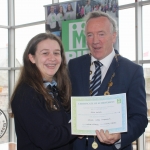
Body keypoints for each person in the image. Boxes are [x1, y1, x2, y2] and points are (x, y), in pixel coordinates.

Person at [68, 11, 148, 150]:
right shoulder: (74, 66)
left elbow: (140, 117)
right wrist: (72, 124)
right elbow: (65, 105)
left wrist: (120, 136)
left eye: (101, 34)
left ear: (114, 36)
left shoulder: (132, 71)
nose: (95, 41)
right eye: (90, 35)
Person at [10, 32, 76, 150]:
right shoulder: (26, 94)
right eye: (45, 53)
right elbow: (47, 138)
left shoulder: (58, 89)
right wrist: (77, 128)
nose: (52, 58)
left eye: (56, 53)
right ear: (32, 58)